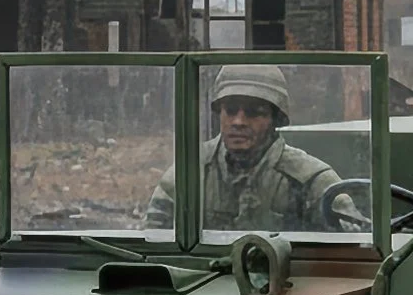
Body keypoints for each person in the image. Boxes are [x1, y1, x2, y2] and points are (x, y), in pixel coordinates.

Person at [146, 64, 341, 233]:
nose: (238, 122)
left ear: (276, 120)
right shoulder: (190, 173)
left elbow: (352, 254)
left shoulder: (310, 180)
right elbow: (156, 240)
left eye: (254, 113)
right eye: (230, 111)